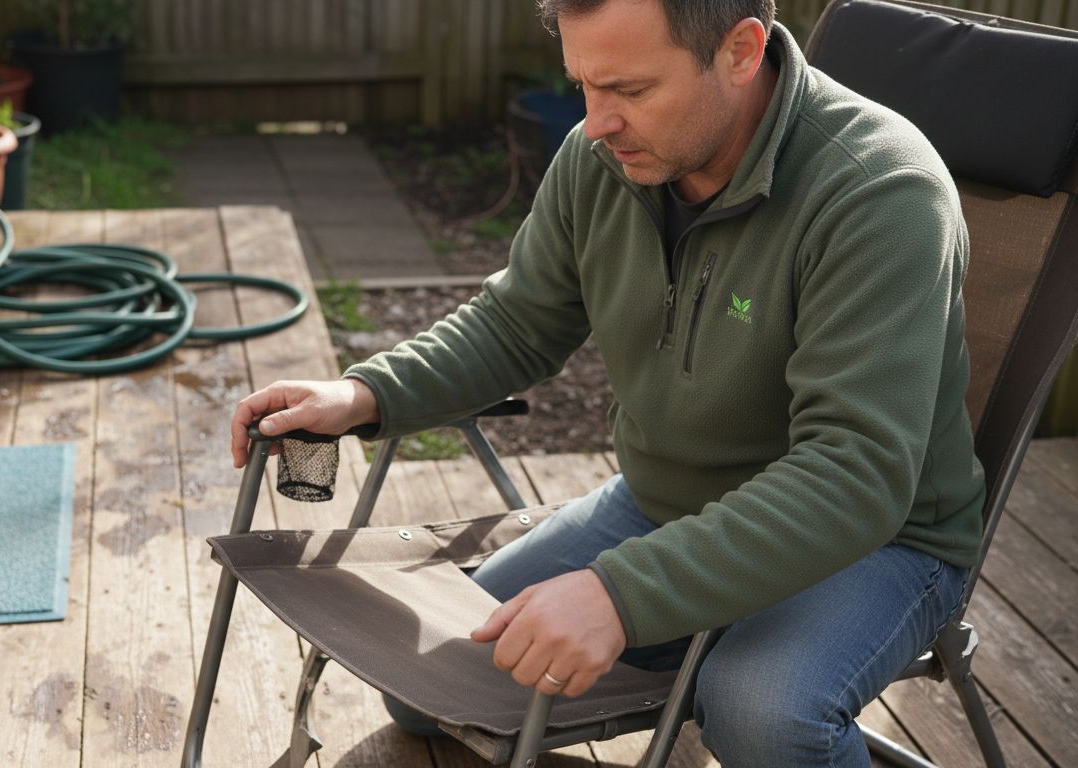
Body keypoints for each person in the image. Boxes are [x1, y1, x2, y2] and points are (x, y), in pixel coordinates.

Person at [229, 0, 985, 764]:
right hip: (664, 505)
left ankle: (720, 657)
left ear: (740, 50)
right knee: (433, 684)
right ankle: (701, 633)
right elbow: (516, 323)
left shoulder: (880, 192)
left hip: (876, 542)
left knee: (759, 713)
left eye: (628, 90)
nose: (596, 122)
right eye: (583, 85)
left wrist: (623, 595)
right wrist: (364, 395)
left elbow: (854, 477)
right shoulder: (603, 160)